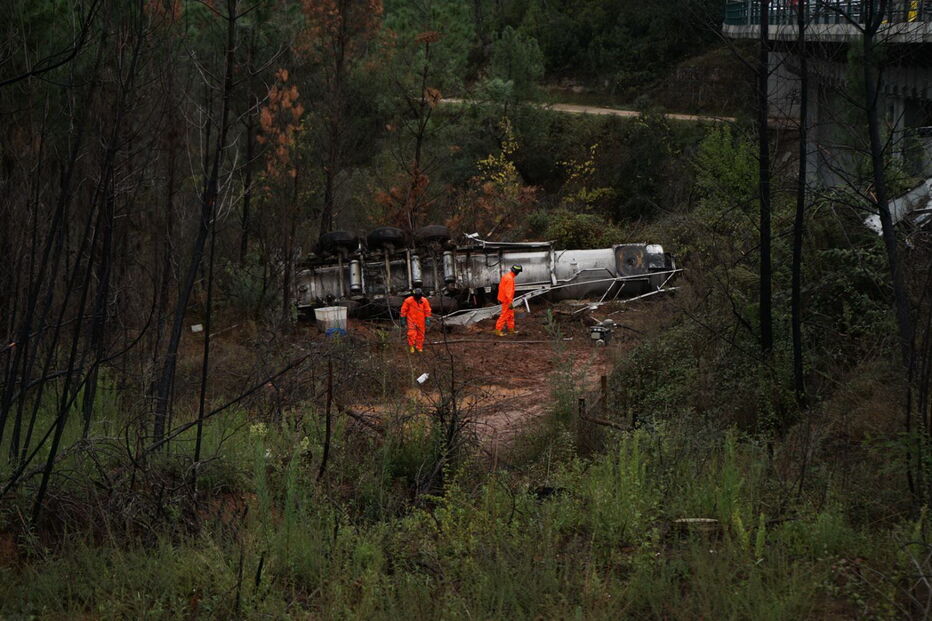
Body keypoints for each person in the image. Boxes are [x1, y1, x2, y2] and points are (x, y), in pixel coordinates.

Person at [400, 288, 432, 353]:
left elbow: (427, 310)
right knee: (411, 334)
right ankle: (412, 346)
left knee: (421, 334)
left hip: (421, 320)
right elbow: (403, 310)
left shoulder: (424, 300)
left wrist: (428, 318)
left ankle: (419, 347)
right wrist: (402, 319)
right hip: (411, 320)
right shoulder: (408, 300)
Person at [495, 264, 522, 336]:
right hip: (507, 300)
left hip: (505, 299)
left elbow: (501, 288)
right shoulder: (510, 279)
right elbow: (508, 292)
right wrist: (510, 303)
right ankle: (498, 330)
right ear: (517, 272)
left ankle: (511, 330)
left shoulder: (507, 276)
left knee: (510, 315)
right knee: (504, 315)